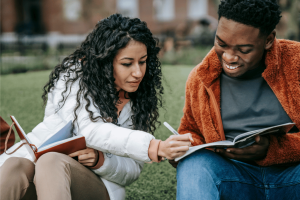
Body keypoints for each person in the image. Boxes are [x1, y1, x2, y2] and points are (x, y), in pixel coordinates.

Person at [0, 14, 192, 200]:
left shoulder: (138, 99)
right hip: (42, 176)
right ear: (105, 62)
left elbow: (132, 170)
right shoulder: (72, 79)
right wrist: (154, 146)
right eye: (127, 63)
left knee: (51, 161)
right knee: (15, 165)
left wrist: (101, 161)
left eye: (143, 62)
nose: (138, 72)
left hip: (96, 185)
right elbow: (89, 129)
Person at [171, 0, 300, 199]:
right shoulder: (201, 77)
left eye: (244, 49)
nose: (229, 57)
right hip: (233, 177)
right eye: (221, 44)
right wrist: (181, 147)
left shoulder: (296, 62)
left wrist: (273, 149)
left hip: (292, 176)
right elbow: (191, 130)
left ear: (268, 40)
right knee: (193, 165)